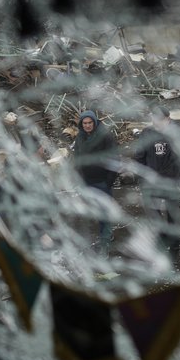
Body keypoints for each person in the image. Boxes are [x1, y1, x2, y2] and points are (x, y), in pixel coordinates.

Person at [132, 105, 180, 269]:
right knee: (154, 216)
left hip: (172, 183)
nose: (155, 122)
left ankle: (174, 250)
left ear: (168, 119)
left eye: (159, 119)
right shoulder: (147, 134)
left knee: (173, 216)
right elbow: (139, 157)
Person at [72, 109, 119, 257]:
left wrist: (109, 181)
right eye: (84, 123)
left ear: (95, 122)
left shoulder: (105, 136)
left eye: (90, 122)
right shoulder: (80, 137)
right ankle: (107, 234)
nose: (87, 125)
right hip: (87, 181)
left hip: (102, 181)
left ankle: (104, 243)